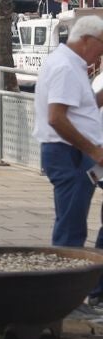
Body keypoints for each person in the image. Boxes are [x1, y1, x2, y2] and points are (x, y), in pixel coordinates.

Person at [32, 15, 103, 267]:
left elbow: (82, 109)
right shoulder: (66, 67)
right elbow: (56, 118)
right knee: (71, 228)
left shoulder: (68, 64)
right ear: (86, 40)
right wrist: (93, 150)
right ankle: (64, 295)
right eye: (101, 45)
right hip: (69, 154)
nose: (101, 54)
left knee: (71, 223)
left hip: (70, 153)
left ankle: (66, 293)